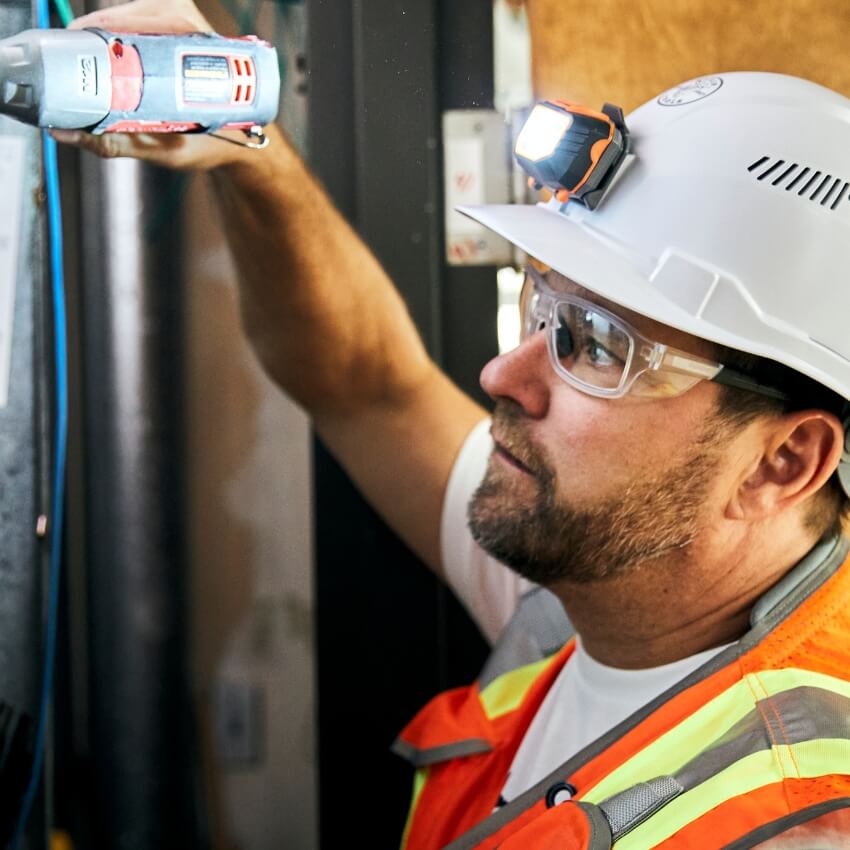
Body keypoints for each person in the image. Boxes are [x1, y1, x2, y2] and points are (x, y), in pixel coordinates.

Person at [58, 2, 850, 847]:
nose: (502, 374)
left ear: (782, 463)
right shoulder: (595, 583)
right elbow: (368, 386)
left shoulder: (799, 824)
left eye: (594, 347)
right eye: (543, 310)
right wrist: (253, 146)